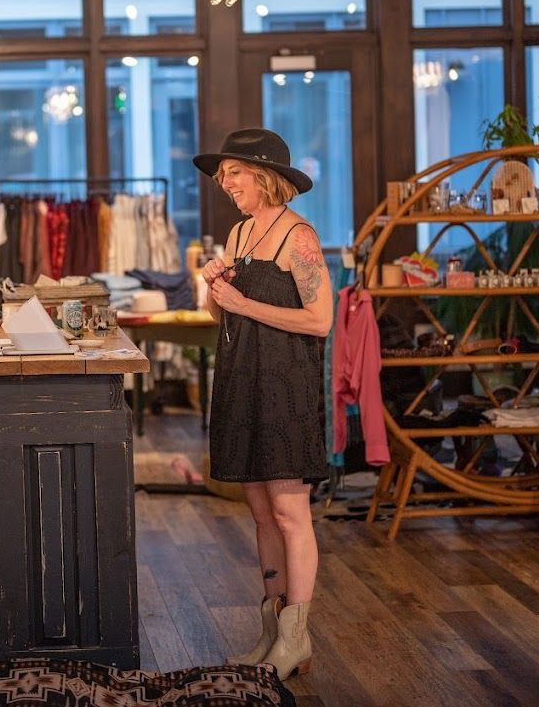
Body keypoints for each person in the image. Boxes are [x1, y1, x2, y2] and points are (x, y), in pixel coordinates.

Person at [192, 127, 333, 680]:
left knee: (290, 513)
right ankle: (274, 631)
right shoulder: (241, 233)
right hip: (241, 380)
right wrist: (213, 289)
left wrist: (244, 303)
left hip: (285, 386)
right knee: (259, 512)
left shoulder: (299, 238)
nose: (225, 184)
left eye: (234, 173)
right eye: (223, 176)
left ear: (265, 176)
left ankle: (296, 638)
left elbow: (320, 321)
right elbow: (220, 316)